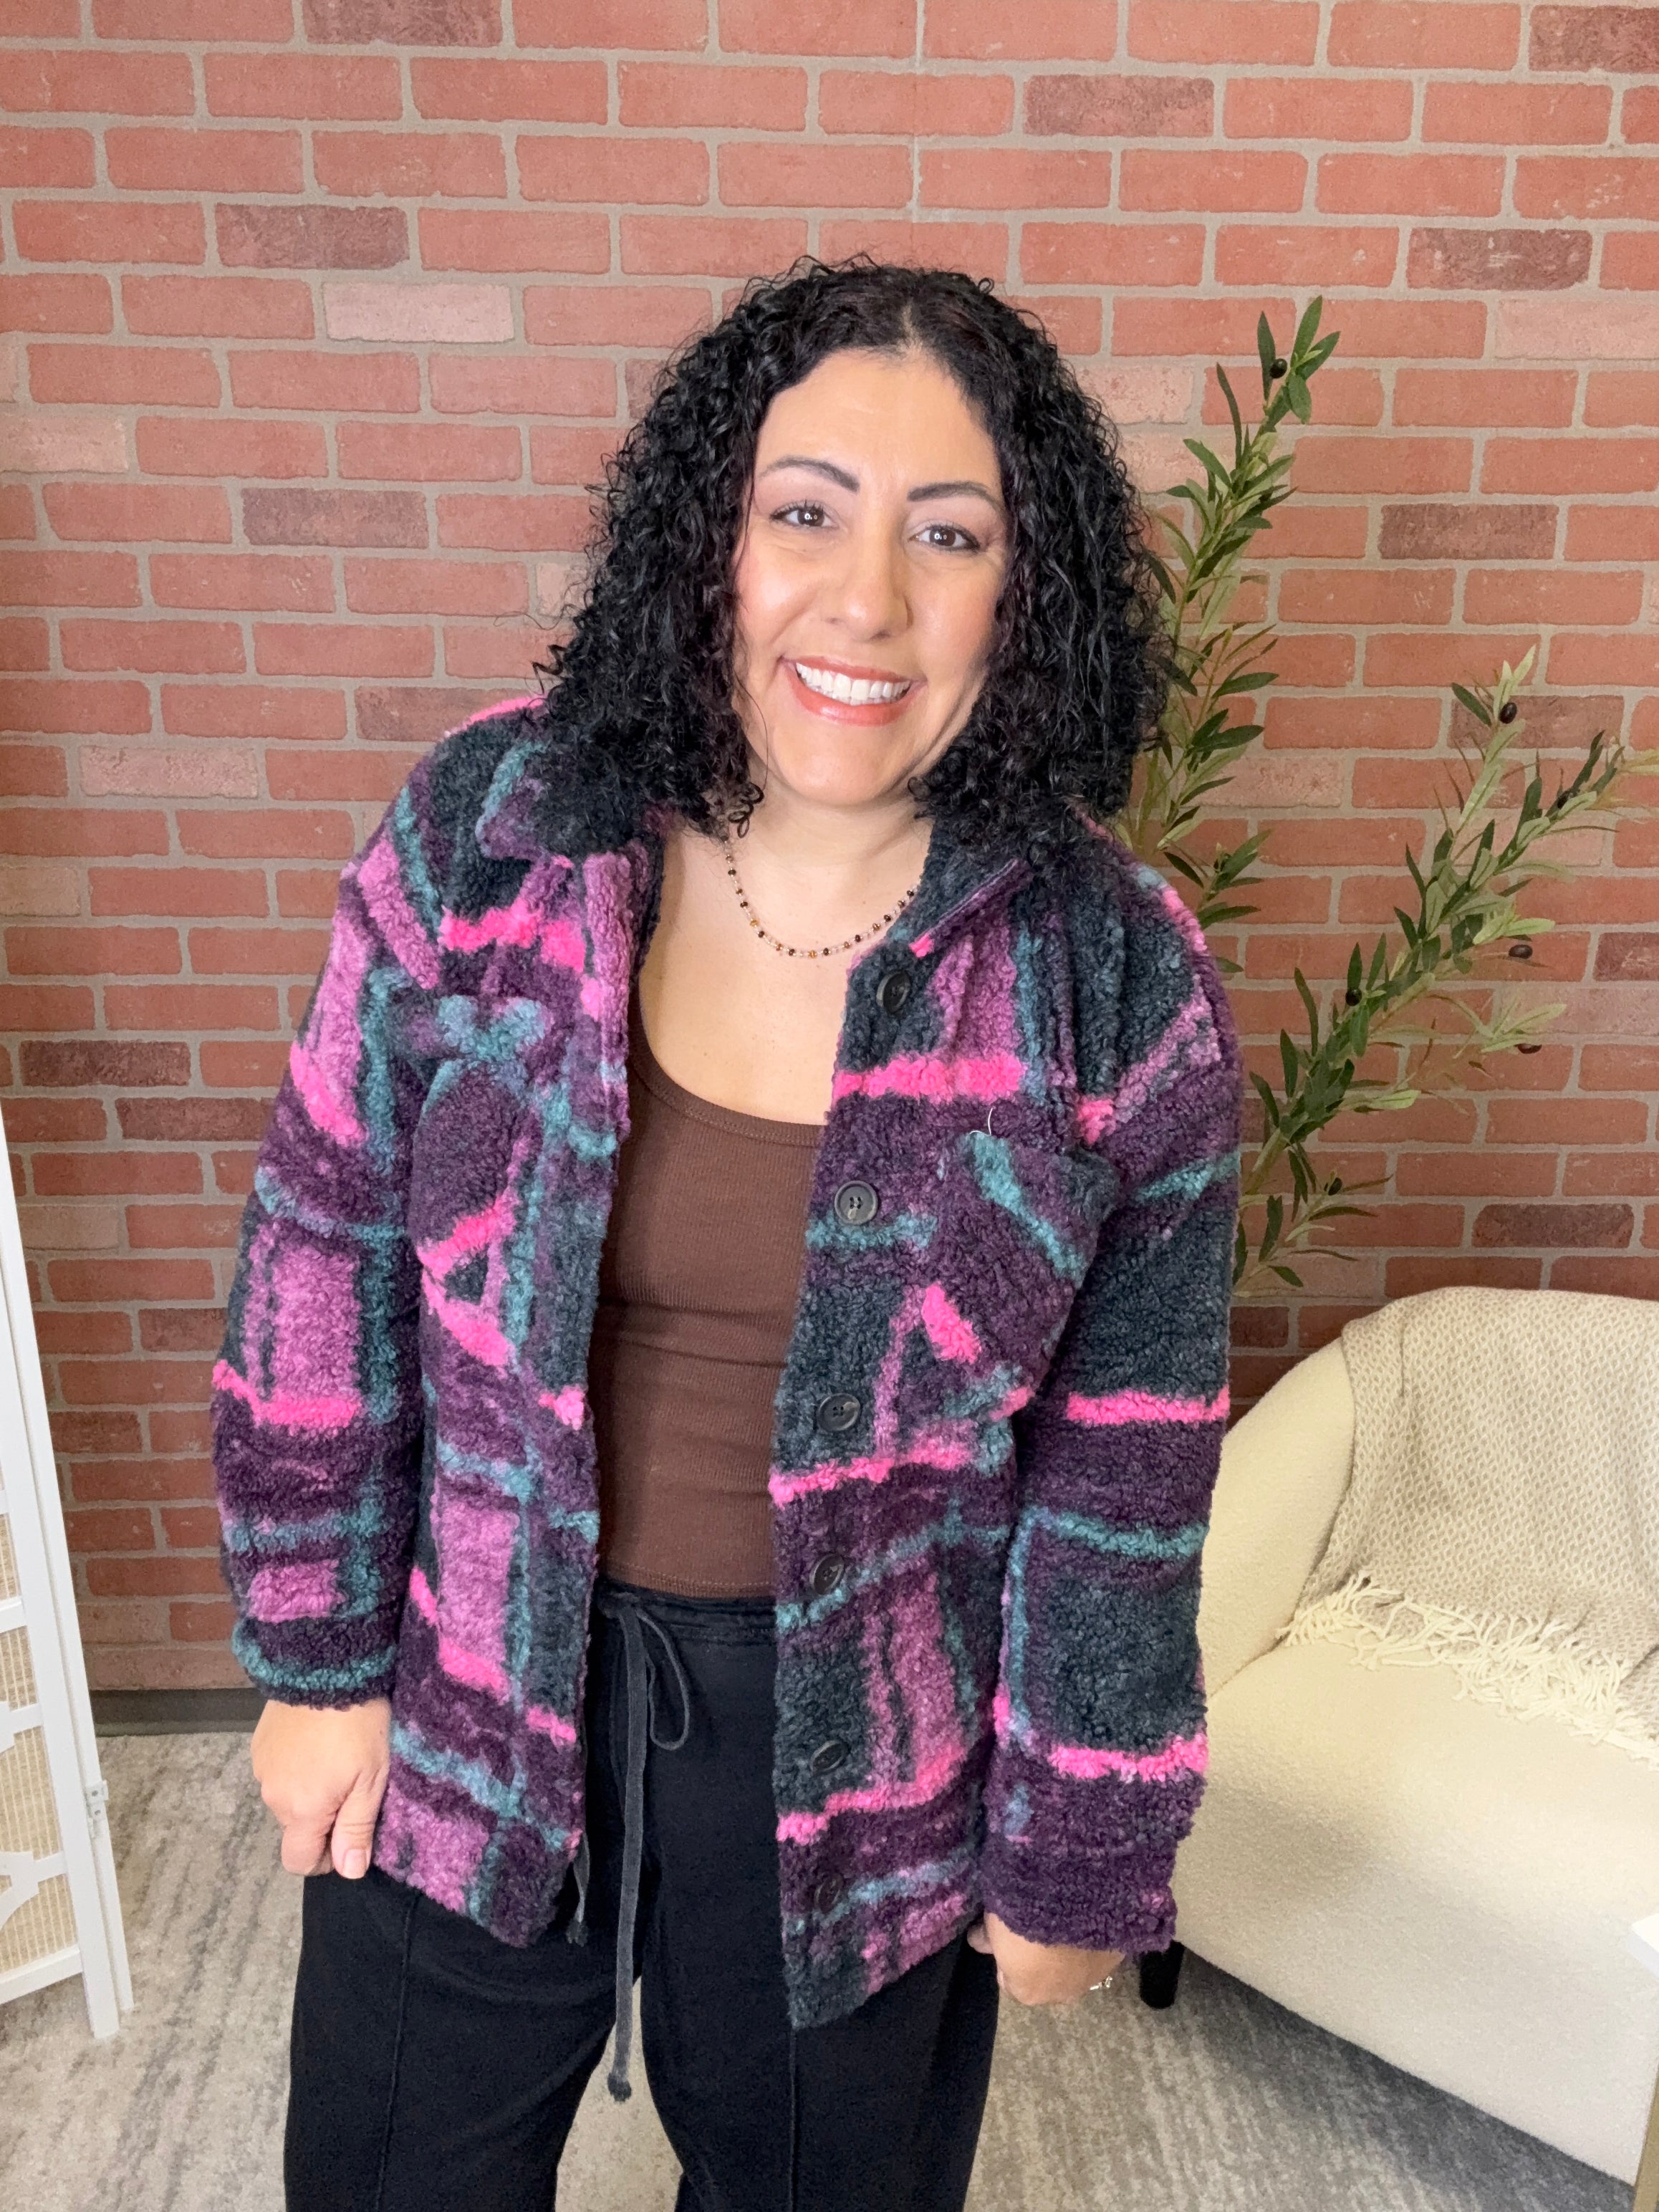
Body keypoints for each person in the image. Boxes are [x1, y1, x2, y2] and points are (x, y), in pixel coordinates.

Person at [211, 256, 1242, 2212]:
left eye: (951, 535)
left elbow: (1122, 1475)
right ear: (713, 541)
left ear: (1026, 597)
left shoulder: (1112, 977)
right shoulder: (497, 828)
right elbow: (320, 1243)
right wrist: (316, 1661)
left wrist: (1080, 1846)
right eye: (807, 513)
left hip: (859, 1754)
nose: (868, 601)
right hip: (471, 1671)